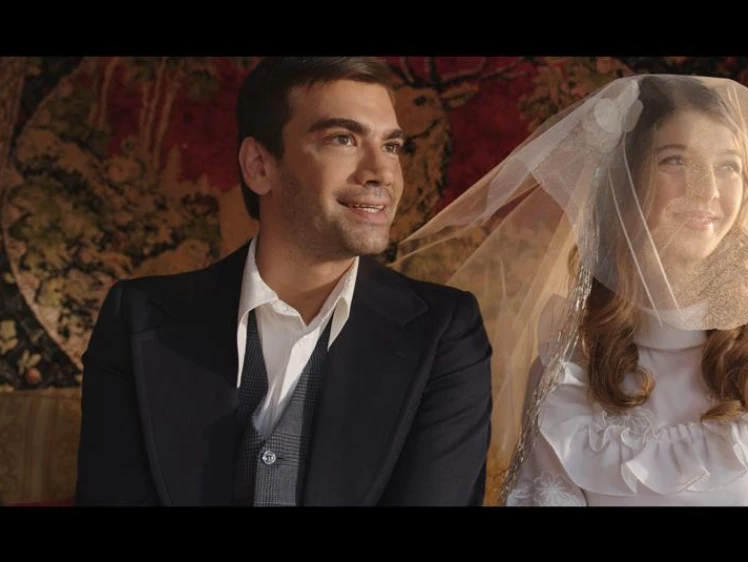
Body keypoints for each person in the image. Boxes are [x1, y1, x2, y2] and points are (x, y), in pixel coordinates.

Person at [390, 74, 748, 506]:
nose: (707, 190)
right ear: (626, 185)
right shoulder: (568, 364)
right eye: (675, 161)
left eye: (729, 167)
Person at [75, 57, 493, 506]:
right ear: (259, 165)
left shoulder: (445, 334)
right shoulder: (136, 319)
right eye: (343, 139)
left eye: (391, 146)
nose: (382, 173)